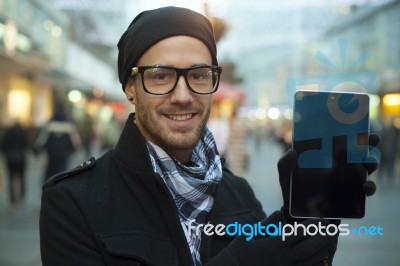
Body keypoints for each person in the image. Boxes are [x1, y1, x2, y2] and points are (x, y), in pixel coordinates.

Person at [39, 6, 379, 266]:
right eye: (161, 76)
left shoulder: (239, 193)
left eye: (199, 75)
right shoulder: (74, 202)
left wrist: (308, 217)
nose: (183, 96)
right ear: (130, 87)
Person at [34, 106, 81, 182]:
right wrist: (74, 150)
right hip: (63, 156)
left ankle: (48, 190)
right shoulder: (69, 126)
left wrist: (37, 150)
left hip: (51, 156)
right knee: (62, 175)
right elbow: (76, 142)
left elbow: (41, 140)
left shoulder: (49, 126)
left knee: (49, 174)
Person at [0, 120, 30, 206]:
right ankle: (22, 195)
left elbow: (2, 146)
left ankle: (12, 199)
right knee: (22, 177)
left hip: (10, 159)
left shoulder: (7, 134)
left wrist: (7, 154)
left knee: (11, 179)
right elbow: (27, 145)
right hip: (21, 158)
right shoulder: (23, 133)